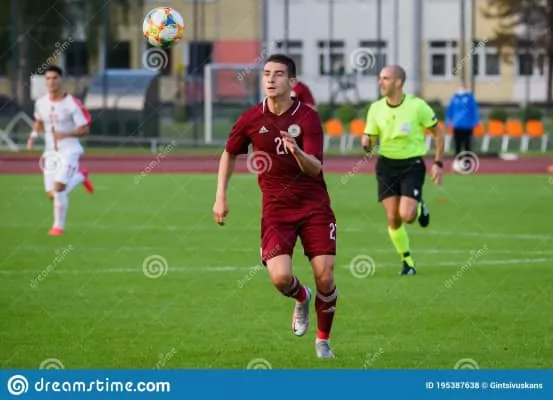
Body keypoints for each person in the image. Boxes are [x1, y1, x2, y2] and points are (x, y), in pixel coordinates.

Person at [212, 54, 338, 358]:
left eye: (278, 74)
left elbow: (315, 167)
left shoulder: (307, 117)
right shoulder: (251, 118)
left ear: (292, 82)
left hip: (314, 206)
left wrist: (296, 152)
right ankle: (302, 296)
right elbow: (229, 153)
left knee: (325, 275)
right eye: (267, 73)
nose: (270, 79)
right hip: (276, 211)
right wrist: (220, 196)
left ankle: (322, 342)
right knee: (281, 278)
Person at [362, 65, 444, 275]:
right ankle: (407, 262)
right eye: (380, 78)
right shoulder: (375, 108)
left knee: (407, 215)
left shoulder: (417, 106)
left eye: (385, 78)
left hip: (411, 165)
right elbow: (371, 139)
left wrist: (438, 163)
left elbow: (438, 133)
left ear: (398, 82)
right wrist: (367, 143)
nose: (380, 82)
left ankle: (419, 206)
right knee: (393, 218)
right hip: (386, 166)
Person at [27, 65, 94, 236]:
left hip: (70, 150)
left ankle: (58, 227)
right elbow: (39, 121)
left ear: (61, 80)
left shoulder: (72, 104)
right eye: (48, 78)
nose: (51, 82)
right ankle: (81, 177)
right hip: (50, 153)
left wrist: (66, 134)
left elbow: (85, 129)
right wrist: (33, 136)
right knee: (52, 194)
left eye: (55, 78)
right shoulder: (40, 103)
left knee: (59, 188)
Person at [446, 85, 480, 156]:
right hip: (457, 125)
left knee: (467, 144)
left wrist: (476, 121)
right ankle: (457, 159)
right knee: (457, 144)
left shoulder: (470, 97)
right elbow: (450, 110)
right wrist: (448, 121)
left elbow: (474, 109)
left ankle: (467, 160)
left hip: (467, 125)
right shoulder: (454, 98)